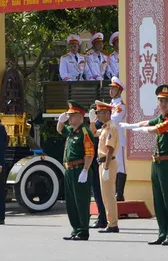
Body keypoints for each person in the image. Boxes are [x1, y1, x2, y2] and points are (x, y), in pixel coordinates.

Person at [120, 85, 168, 245]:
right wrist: (131, 126)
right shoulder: (161, 116)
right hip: (157, 163)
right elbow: (147, 122)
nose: (162, 104)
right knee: (159, 200)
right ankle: (163, 233)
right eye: (160, 101)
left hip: (166, 164)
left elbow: (156, 129)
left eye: (165, 101)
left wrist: (140, 131)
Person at [56, 100, 95, 240]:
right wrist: (60, 121)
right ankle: (76, 229)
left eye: (72, 115)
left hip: (79, 170)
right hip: (69, 170)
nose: (69, 118)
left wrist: (85, 170)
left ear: (80, 116)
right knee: (71, 202)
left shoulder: (85, 132)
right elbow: (60, 130)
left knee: (81, 202)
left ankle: (83, 231)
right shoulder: (71, 131)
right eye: (69, 115)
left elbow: (89, 153)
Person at [89, 101, 120, 233]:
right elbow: (94, 133)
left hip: (108, 163)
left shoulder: (111, 128)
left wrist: (106, 168)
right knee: (105, 195)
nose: (98, 115)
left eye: (99, 113)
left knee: (108, 196)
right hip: (102, 163)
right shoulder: (105, 127)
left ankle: (112, 224)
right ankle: (110, 222)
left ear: (107, 113)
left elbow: (110, 150)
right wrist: (91, 121)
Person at [88, 104, 107, 229]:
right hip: (95, 161)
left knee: (99, 192)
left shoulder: (100, 125)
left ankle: (103, 219)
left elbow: (93, 136)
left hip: (98, 161)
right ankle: (102, 218)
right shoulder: (96, 124)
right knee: (97, 192)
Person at [108, 76, 128, 201]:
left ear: (119, 91)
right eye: (110, 88)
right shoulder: (111, 104)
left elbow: (114, 121)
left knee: (120, 165)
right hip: (110, 137)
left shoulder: (120, 104)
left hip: (118, 138)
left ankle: (119, 194)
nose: (111, 90)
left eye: (114, 89)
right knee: (112, 165)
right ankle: (114, 192)